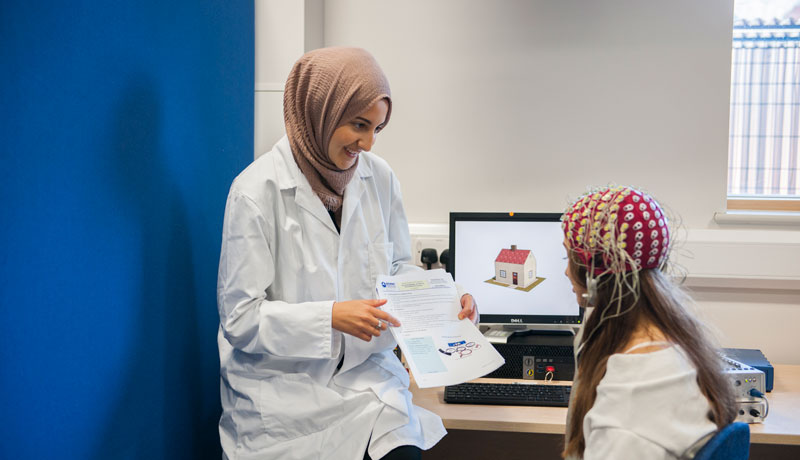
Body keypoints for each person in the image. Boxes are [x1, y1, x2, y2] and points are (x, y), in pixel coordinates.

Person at [216, 47, 478, 460]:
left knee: (403, 452)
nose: (368, 142)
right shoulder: (255, 192)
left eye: (377, 128)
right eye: (359, 124)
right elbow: (240, 318)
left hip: (367, 386)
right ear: (320, 110)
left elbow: (394, 269)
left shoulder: (379, 177)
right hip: (287, 399)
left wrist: (447, 300)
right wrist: (330, 317)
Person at [560, 185, 736, 460]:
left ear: (594, 272)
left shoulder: (631, 399)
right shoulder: (672, 334)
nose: (566, 271)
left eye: (568, 258)